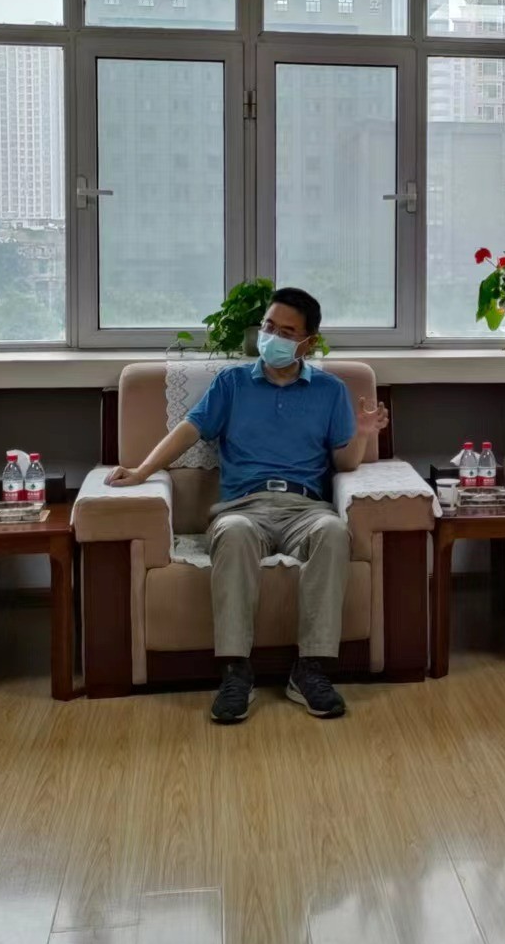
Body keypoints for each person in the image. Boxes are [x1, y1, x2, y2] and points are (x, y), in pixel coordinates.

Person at [107, 287, 387, 725]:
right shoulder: (232, 383)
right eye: (269, 327)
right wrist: (142, 471)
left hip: (305, 508)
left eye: (286, 332)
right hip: (242, 506)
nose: (272, 337)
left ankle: (310, 670)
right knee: (234, 533)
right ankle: (236, 671)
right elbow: (189, 431)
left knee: (334, 531)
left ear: (308, 342)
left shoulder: (330, 391)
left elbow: (344, 463)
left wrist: (365, 434)